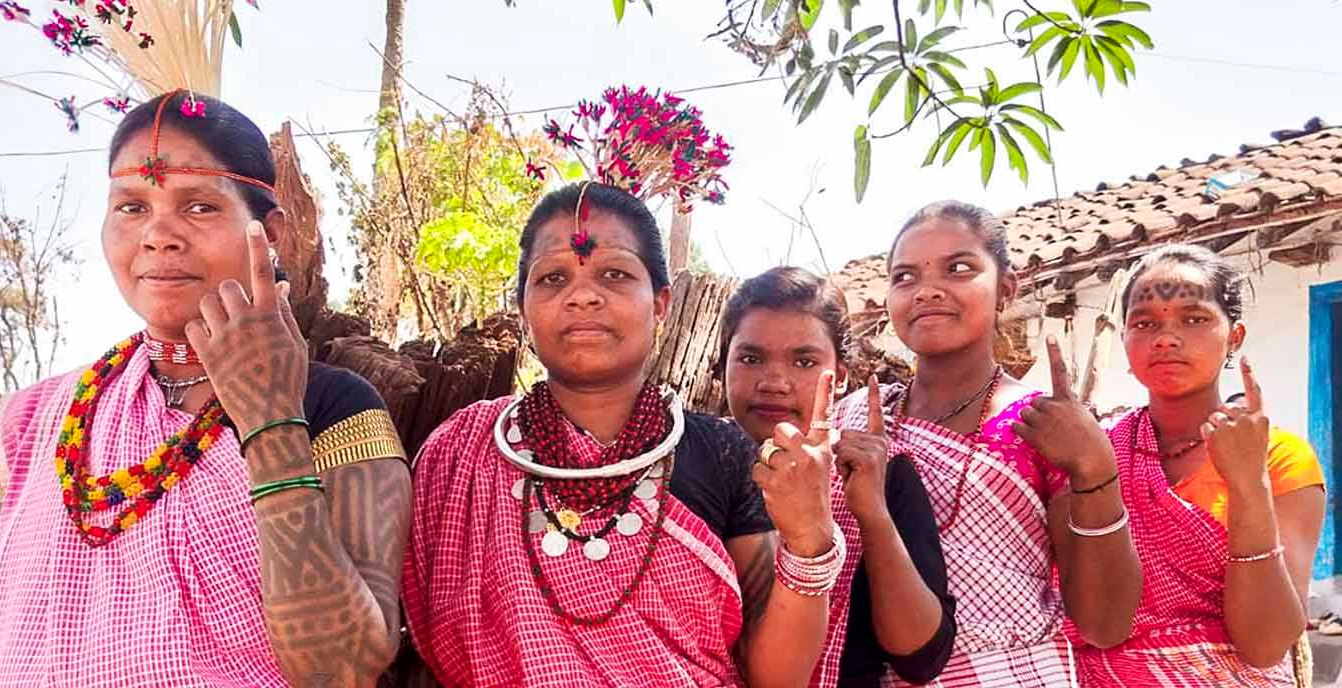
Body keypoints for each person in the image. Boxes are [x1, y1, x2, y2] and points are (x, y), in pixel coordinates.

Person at [0, 91, 410, 688]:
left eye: (200, 207)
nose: (159, 236)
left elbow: (341, 667)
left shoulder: (331, 409)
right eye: (132, 208)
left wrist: (269, 420)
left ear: (271, 233)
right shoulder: (41, 420)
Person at [402, 183, 840, 687]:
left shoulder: (722, 455)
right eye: (551, 278)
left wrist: (808, 542)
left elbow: (776, 680)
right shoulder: (462, 453)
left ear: (660, 304)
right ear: (522, 309)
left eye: (614, 274)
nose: (583, 295)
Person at [831, 200, 1142, 686]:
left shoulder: (1041, 426)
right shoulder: (854, 420)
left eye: (959, 269)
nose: (928, 290)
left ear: (1006, 289)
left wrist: (1094, 468)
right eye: (905, 277)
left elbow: (1104, 624)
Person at [1072, 244, 1324, 686]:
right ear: (1125, 337)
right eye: (1145, 323)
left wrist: (1250, 486)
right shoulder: (1097, 455)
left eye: (1194, 319)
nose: (1166, 338)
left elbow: (1265, 644)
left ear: (1235, 337)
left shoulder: (1280, 458)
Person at [718, 267, 955, 687]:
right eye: (751, 358)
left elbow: (921, 659)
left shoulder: (877, 473)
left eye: (805, 361)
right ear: (722, 366)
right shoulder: (690, 469)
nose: (775, 382)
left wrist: (872, 513)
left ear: (841, 374)